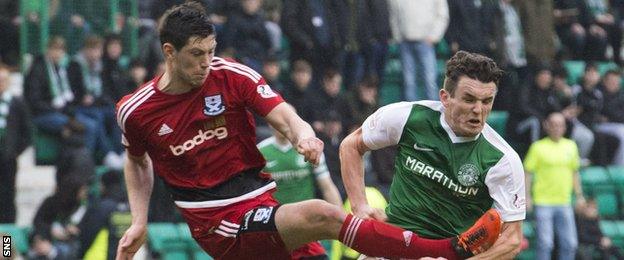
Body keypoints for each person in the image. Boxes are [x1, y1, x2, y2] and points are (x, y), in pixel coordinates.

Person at [115, 3, 501, 260]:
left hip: (262, 205)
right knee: (322, 212)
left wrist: (303, 135)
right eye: (196, 55)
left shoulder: (229, 75)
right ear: (169, 52)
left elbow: (281, 112)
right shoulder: (137, 111)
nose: (206, 63)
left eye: (210, 51)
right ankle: (448, 250)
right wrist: (138, 219)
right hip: (218, 223)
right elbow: (137, 161)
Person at [340, 51, 525, 259]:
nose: (478, 110)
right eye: (469, 99)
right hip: (392, 245)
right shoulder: (409, 117)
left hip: (447, 253)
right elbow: (351, 145)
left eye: (487, 101)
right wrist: (360, 206)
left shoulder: (501, 159)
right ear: (445, 97)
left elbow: (511, 241)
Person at [524, 112, 584, 260]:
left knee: (570, 244)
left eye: (560, 125)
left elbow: (574, 173)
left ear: (564, 127)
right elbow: (527, 173)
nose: (557, 128)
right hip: (543, 202)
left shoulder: (571, 146)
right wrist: (527, 197)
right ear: (547, 126)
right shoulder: (537, 147)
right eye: (554, 125)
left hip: (565, 202)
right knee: (545, 244)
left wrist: (579, 196)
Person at [258, 125, 342, 206]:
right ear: (270, 123)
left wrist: (341, 217)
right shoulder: (260, 150)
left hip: (306, 215)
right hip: (275, 216)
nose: (281, 125)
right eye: (277, 121)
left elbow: (327, 187)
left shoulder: (309, 148)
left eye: (286, 121)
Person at [0, 64, 31, 223]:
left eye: (3, 80)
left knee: (7, 197)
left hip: (7, 159)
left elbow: (27, 132)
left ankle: (6, 241)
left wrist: (13, 151)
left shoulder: (17, 102)